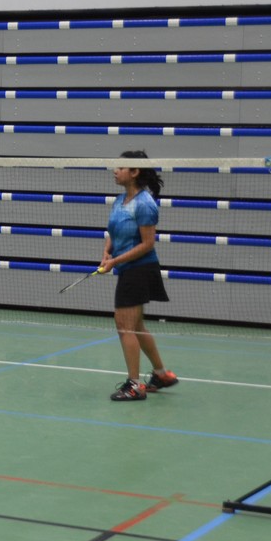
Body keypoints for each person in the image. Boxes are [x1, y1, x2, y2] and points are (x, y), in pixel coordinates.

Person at [98, 150, 178, 402]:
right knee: (136, 326)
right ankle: (161, 375)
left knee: (124, 326)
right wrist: (107, 251)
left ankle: (134, 385)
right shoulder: (120, 200)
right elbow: (114, 230)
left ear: (134, 172)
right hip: (128, 268)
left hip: (139, 270)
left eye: (121, 168)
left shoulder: (144, 203)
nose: (115, 171)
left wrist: (115, 261)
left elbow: (147, 244)